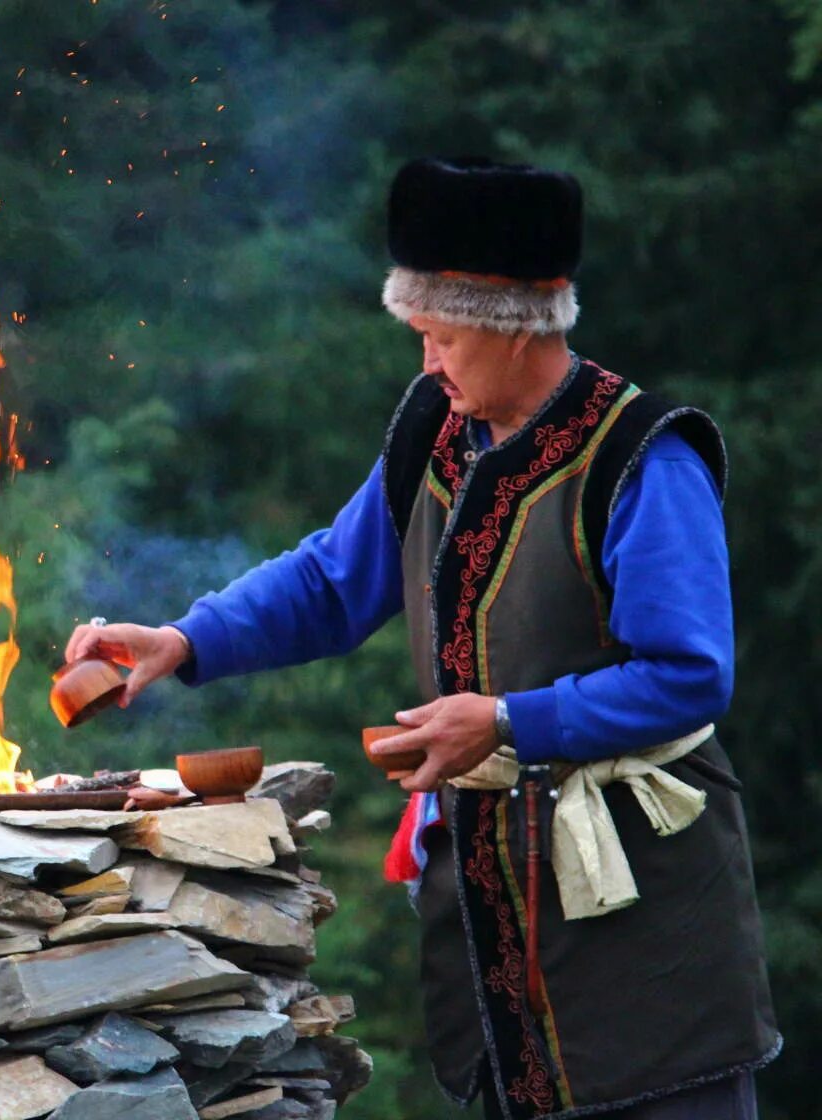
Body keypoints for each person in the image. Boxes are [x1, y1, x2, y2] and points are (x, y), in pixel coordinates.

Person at [65, 157, 779, 1119]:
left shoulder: (644, 458)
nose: (428, 364)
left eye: (439, 337)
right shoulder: (433, 432)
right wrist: (187, 642)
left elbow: (691, 676)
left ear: (510, 323)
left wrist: (507, 720)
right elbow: (332, 578)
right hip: (486, 911)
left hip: (643, 906)